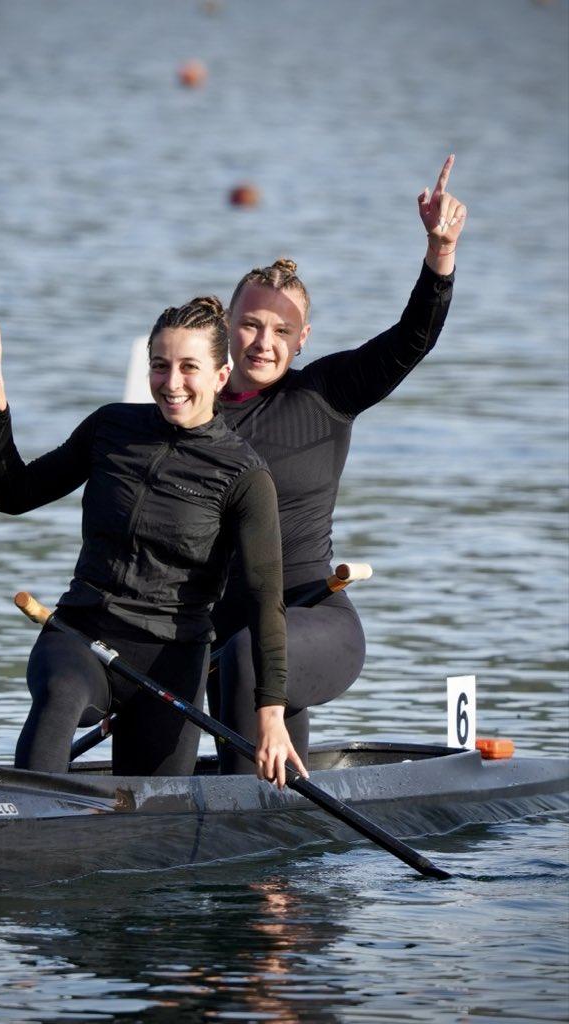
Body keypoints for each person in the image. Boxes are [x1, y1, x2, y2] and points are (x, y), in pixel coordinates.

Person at [0, 296, 308, 786]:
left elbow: (264, 601)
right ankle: (21, 821)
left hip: (171, 663)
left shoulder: (245, 476)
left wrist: (270, 714)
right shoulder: (111, 428)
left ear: (220, 375)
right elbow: (15, 495)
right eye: (159, 366)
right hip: (81, 636)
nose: (171, 383)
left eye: (189, 367)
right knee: (61, 691)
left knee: (152, 807)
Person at [210, 155, 467, 774]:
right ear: (226, 327)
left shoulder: (325, 394)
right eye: (249, 325)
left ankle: (254, 835)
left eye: (280, 330)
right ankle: (274, 856)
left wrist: (439, 255)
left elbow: (412, 340)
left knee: (246, 657)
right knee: (228, 674)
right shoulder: (194, 412)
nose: (263, 342)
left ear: (302, 341)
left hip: (313, 621)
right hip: (225, 633)